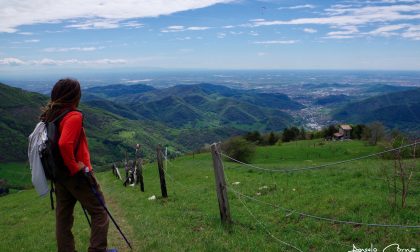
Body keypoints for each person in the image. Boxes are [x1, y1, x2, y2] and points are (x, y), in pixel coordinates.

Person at [40, 78, 110, 252]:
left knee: (63, 219)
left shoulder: (50, 115)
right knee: (100, 213)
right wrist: (75, 166)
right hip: (77, 175)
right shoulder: (73, 116)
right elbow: (64, 144)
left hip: (59, 176)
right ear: (74, 96)